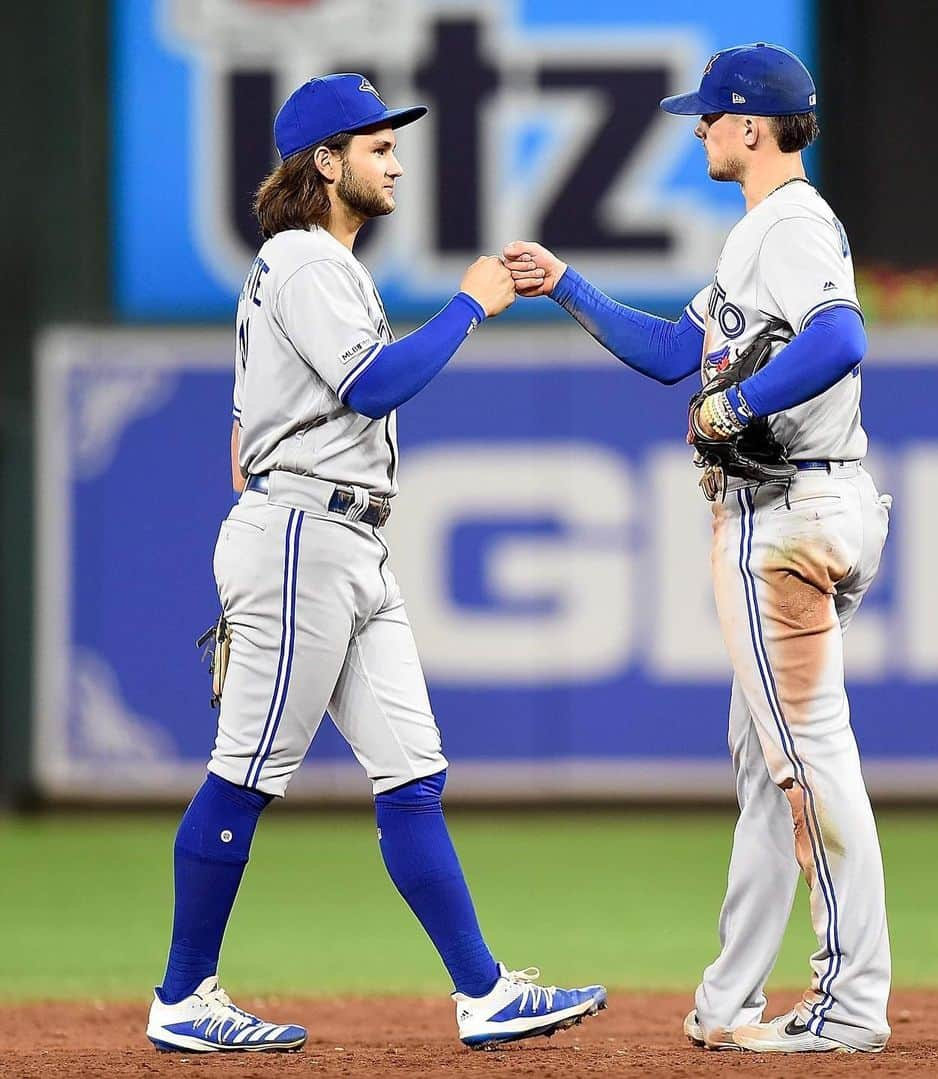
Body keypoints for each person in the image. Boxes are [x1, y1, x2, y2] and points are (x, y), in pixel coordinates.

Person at [146, 73, 606, 1054]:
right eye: (377, 143)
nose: (395, 157)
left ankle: (481, 991)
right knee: (247, 769)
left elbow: (242, 438)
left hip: (344, 538)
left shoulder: (322, 269)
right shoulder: (306, 257)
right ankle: (183, 994)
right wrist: (471, 305)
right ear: (326, 161)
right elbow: (371, 383)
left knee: (412, 773)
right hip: (306, 536)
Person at [504, 43, 890, 1055]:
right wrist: (568, 285)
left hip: (785, 516)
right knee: (770, 769)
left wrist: (742, 400)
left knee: (806, 759)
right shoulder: (759, 233)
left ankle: (850, 1004)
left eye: (711, 116)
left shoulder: (792, 221)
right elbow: (677, 354)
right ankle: (728, 1000)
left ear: (753, 128)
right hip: (805, 502)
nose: (699, 129)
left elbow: (841, 335)